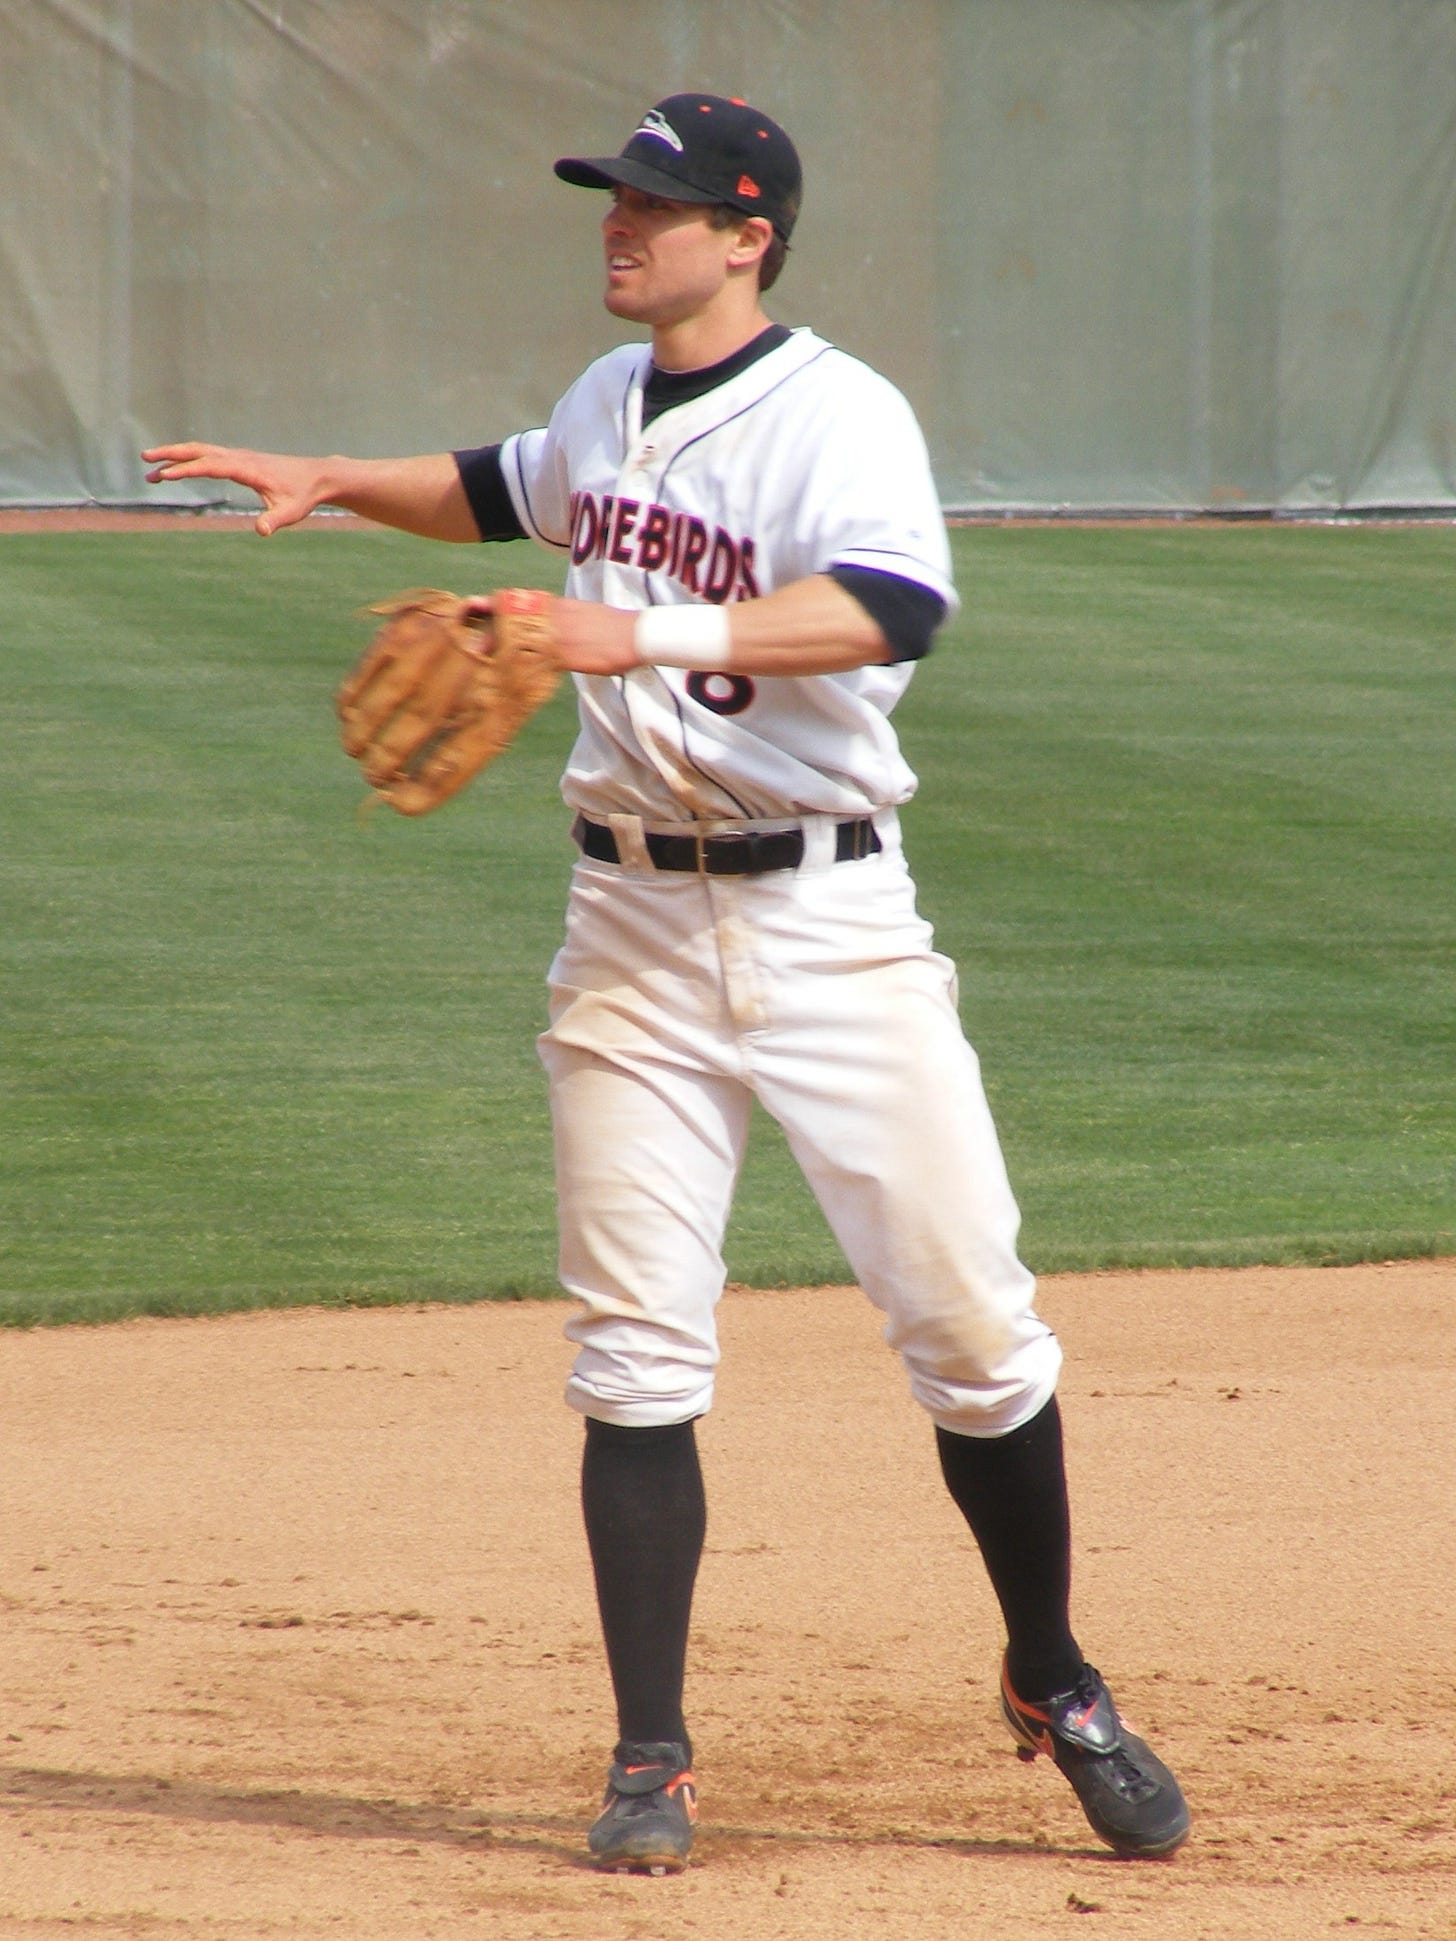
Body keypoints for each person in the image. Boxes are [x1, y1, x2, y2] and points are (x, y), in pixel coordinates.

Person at [144, 91, 1189, 1876]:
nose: (620, 224)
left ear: (748, 232)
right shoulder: (603, 402)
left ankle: (1054, 1675)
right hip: (626, 931)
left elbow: (891, 606)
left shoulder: (838, 413)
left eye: (656, 203)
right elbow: (500, 490)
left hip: (835, 927)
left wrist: (642, 627)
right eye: (613, 197)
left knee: (974, 1334)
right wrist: (333, 479)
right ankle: (652, 1756)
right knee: (634, 1351)